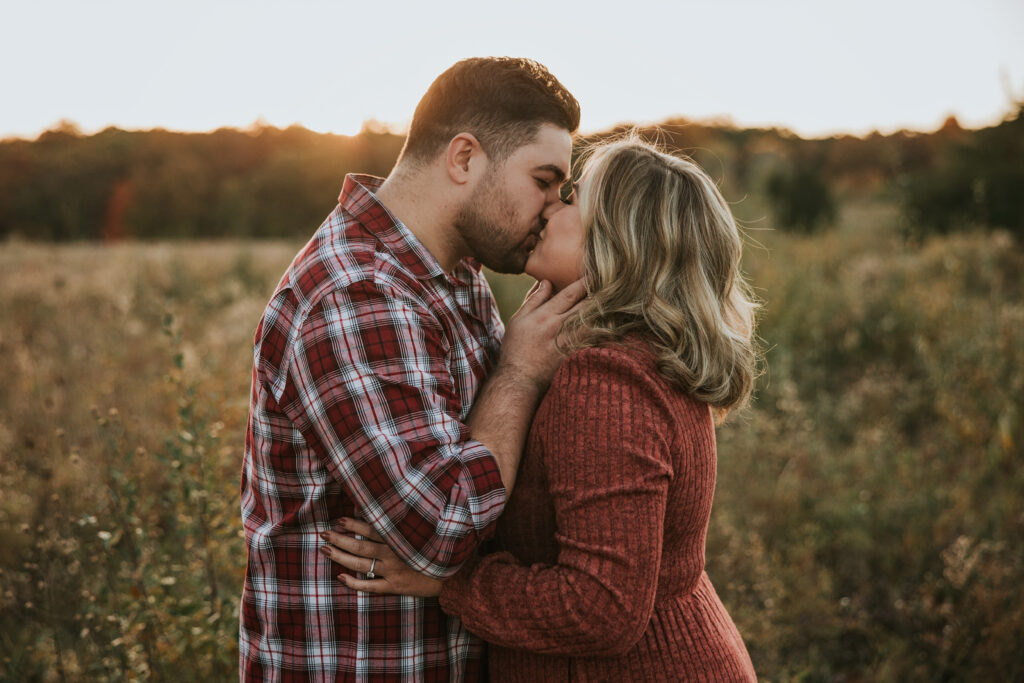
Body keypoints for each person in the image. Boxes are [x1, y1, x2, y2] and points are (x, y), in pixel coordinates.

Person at [320, 136, 762, 681]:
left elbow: (603, 609)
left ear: (617, 242)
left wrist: (450, 581)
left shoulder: (605, 382)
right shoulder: (637, 354)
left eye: (573, 198)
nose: (551, 206)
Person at [239, 57, 584, 681]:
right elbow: (442, 527)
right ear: (463, 159)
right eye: (544, 179)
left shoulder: (454, 276)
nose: (554, 208)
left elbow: (494, 472)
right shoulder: (354, 295)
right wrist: (520, 374)